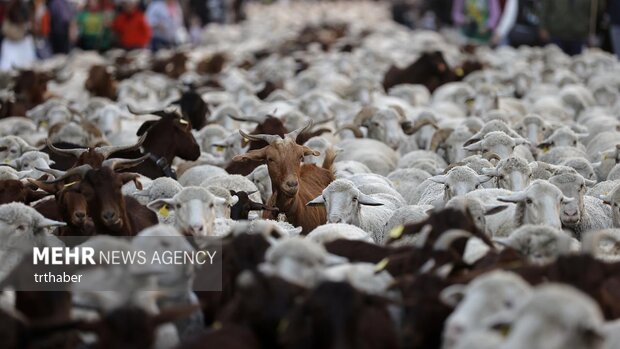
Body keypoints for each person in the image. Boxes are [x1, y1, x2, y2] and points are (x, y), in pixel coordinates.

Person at [0, 0, 36, 70]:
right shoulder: (12, 5)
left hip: (22, 42)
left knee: (26, 67)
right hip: (12, 42)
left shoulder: (26, 5)